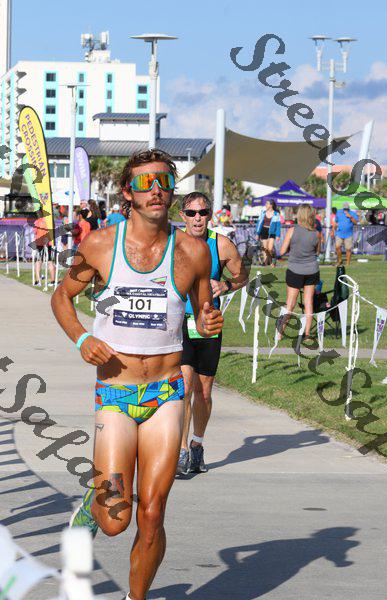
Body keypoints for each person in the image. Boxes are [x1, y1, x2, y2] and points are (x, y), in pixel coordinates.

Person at [51, 149, 223, 600]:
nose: (156, 191)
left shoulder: (194, 252)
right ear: (128, 192)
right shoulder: (100, 245)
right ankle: (91, 508)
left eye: (164, 181)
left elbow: (203, 312)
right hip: (116, 392)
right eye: (145, 183)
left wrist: (207, 322)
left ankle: (136, 597)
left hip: (167, 392)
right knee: (116, 520)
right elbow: (61, 297)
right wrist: (81, 339)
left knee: (152, 512)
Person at [176, 192, 249, 476]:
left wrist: (226, 286)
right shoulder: (172, 243)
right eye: (191, 213)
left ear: (209, 215)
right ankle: (181, 450)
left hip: (209, 323)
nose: (198, 218)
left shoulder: (221, 245)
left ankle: (197, 444)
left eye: (203, 212)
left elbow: (242, 275)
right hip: (180, 322)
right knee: (184, 387)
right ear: (182, 216)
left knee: (203, 392)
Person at [279, 204, 321, 340]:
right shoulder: (316, 233)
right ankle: (307, 334)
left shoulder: (292, 230)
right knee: (308, 302)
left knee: (290, 303)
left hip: (295, 270)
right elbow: (317, 252)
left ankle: (280, 333)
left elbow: (282, 251)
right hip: (312, 270)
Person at [33, 210, 56, 286]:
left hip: (40, 243)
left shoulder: (37, 222)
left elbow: (35, 232)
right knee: (50, 261)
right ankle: (53, 281)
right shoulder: (50, 221)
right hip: (49, 243)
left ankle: (38, 280)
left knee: (38, 261)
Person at [255, 199, 281, 266]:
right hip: (264, 231)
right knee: (265, 248)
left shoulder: (276, 214)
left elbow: (278, 226)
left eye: (267, 203)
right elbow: (258, 223)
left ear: (271, 205)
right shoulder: (263, 213)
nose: (265, 205)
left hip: (272, 232)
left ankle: (271, 261)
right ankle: (266, 263)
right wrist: (257, 233)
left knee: (270, 249)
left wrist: (278, 235)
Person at [333, 202, 359, 266]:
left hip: (348, 234)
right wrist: (333, 230)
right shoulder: (338, 212)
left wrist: (351, 217)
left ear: (348, 208)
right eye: (344, 209)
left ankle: (348, 263)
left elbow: (356, 223)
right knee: (337, 247)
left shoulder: (352, 213)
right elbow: (336, 222)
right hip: (339, 233)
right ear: (343, 208)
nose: (345, 210)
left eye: (347, 209)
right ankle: (340, 260)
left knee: (348, 249)